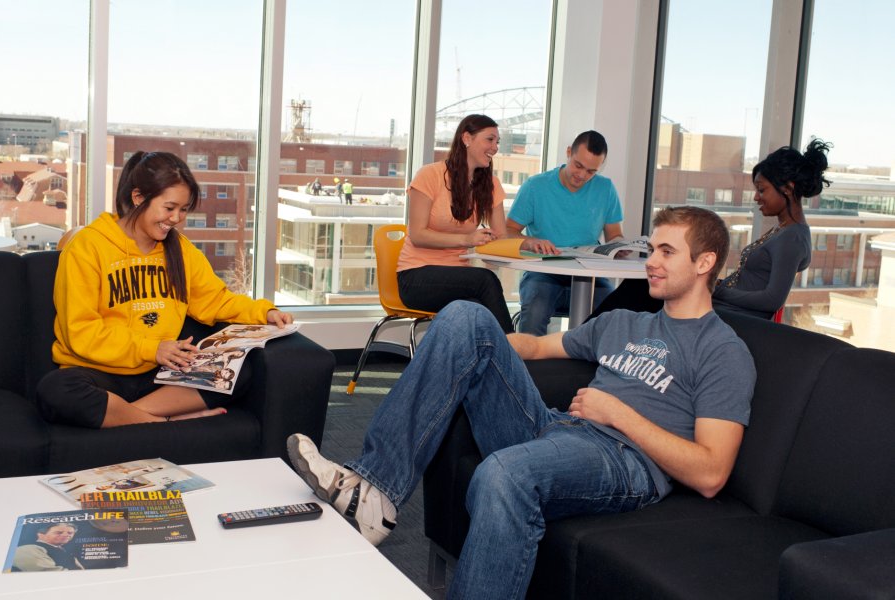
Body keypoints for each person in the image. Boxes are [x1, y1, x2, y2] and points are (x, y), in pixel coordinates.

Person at [288, 205, 756, 599]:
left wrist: (619, 415)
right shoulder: (625, 322)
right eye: (651, 248)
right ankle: (373, 494)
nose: (651, 260)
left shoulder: (722, 350)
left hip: (624, 462)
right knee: (464, 315)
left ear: (704, 262)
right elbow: (535, 347)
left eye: (666, 252)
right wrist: (472, 342)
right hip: (557, 428)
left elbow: (711, 474)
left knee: (504, 474)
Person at [37, 151, 292, 428]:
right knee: (56, 390)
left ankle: (126, 417)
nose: (176, 218)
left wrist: (262, 312)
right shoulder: (87, 247)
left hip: (157, 375)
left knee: (238, 372)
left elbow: (215, 300)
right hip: (98, 374)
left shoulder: (179, 249)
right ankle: (166, 421)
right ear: (138, 198)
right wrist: (152, 348)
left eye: (183, 210)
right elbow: (80, 331)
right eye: (169, 208)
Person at [396, 113, 514, 333]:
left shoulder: (490, 184)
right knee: (485, 282)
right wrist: (467, 239)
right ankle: (517, 352)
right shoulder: (429, 175)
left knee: (481, 311)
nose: (495, 147)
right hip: (416, 276)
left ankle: (492, 362)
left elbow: (501, 236)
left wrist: (511, 246)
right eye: (490, 139)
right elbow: (418, 235)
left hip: (459, 278)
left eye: (497, 141)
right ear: (467, 138)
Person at [507, 130, 625, 335]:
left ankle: (593, 366)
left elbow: (615, 235)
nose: (581, 175)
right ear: (569, 152)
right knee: (535, 312)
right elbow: (508, 231)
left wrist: (620, 247)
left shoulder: (605, 189)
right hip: (543, 272)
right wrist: (530, 241)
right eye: (578, 165)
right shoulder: (535, 186)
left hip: (589, 274)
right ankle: (527, 366)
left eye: (591, 171)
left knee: (617, 314)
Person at [713, 139, 831, 319]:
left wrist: (716, 291)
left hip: (738, 323)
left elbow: (772, 299)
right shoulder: (783, 229)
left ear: (788, 188)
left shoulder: (792, 237)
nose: (756, 197)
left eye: (761, 190)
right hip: (726, 313)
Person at [12, 523, 84, 571]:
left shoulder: (63, 550)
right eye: (59, 532)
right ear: (41, 535)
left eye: (70, 533)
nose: (66, 535)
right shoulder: (28, 549)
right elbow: (48, 572)